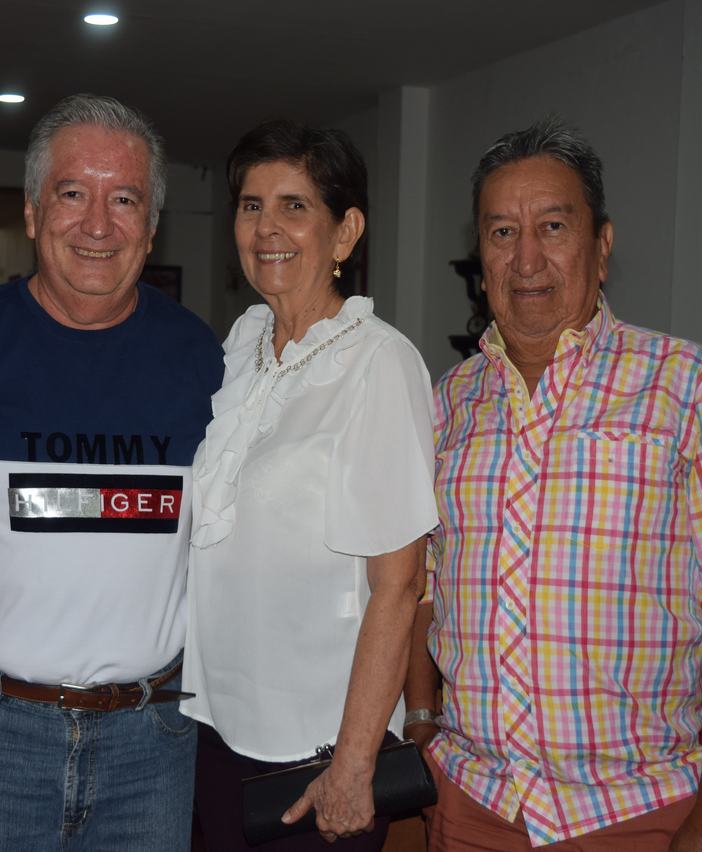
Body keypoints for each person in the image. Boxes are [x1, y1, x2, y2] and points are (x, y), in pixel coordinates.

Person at [405, 117, 702, 850]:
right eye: (500, 233)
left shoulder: (688, 385)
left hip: (633, 811)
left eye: (552, 226)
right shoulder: (445, 402)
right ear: (478, 254)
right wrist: (422, 724)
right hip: (472, 802)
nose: (526, 259)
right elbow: (422, 586)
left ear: (601, 245)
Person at [0, 93, 223, 851]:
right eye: (71, 194)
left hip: (150, 746)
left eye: (123, 199)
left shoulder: (203, 361)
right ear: (31, 212)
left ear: (150, 228)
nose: (97, 223)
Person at [182, 120, 438, 850]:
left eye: (294, 206)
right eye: (250, 205)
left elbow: (397, 584)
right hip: (211, 725)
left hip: (315, 750)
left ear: (346, 231)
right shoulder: (238, 346)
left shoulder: (377, 364)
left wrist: (356, 761)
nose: (267, 227)